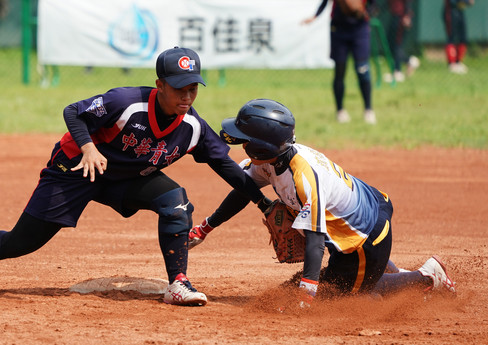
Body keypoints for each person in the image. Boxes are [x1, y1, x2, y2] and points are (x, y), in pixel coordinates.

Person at [0, 46, 271, 307]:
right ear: (159, 84)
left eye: (193, 88)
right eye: (179, 88)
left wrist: (264, 205)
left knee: (176, 203)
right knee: (21, 243)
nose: (187, 96)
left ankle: (178, 283)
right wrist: (88, 147)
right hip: (75, 170)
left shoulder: (192, 128)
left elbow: (227, 168)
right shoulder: (125, 103)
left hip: (125, 180)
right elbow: (74, 112)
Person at [188, 98, 456, 307]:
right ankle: (380, 274)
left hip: (366, 239)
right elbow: (242, 190)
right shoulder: (271, 160)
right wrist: (206, 227)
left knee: (334, 295)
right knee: (335, 284)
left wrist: (307, 292)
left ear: (261, 148)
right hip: (359, 220)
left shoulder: (303, 178)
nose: (241, 145)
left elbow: (315, 239)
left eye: (245, 141)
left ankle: (428, 277)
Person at [302, 0, 376, 124]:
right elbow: (325, 2)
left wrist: (367, 12)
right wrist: (315, 16)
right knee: (339, 71)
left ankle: (368, 110)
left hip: (359, 29)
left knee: (363, 70)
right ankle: (340, 111)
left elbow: (374, 5)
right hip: (339, 29)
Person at [384, 0, 420, 83]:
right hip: (395, 16)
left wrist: (407, 16)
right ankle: (409, 61)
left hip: (401, 17)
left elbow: (408, 2)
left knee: (397, 45)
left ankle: (397, 72)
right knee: (391, 44)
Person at [443, 0, 474, 74]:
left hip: (460, 11)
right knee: (452, 37)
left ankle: (458, 62)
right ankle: (452, 64)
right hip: (450, 12)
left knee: (462, 38)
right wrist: (467, 1)